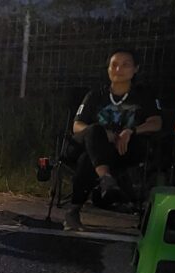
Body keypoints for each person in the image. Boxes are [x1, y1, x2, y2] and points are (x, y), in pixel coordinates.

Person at [64, 49, 163, 231]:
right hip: (88, 146)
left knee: (88, 159)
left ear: (136, 69)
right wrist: (104, 134)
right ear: (108, 68)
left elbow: (156, 123)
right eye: (114, 65)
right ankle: (106, 179)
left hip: (122, 151)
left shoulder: (143, 95)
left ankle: (74, 210)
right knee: (94, 132)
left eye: (125, 65)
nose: (118, 69)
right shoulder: (96, 95)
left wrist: (131, 130)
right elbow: (77, 126)